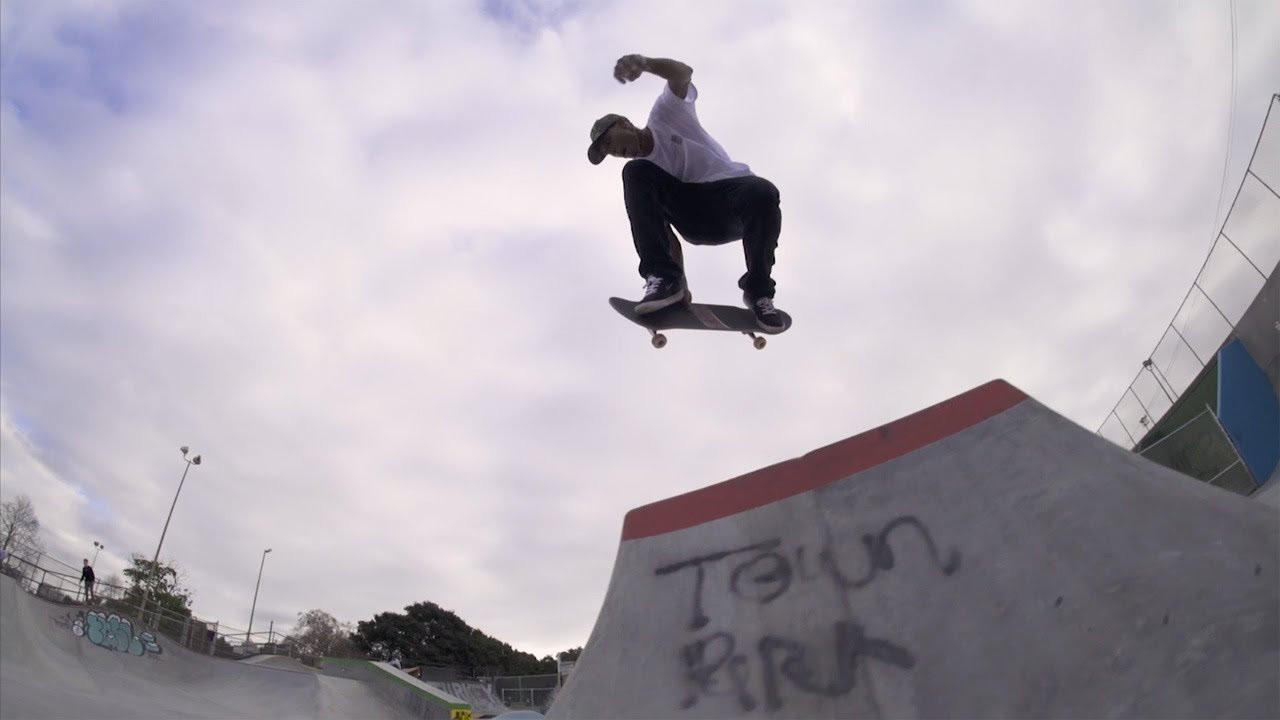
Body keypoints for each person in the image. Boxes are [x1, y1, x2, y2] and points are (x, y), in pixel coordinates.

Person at [587, 53, 786, 331]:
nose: (614, 151)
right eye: (608, 151)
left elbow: (682, 73)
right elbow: (663, 232)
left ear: (624, 123)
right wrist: (678, 284)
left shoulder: (666, 115)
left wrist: (645, 64)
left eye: (610, 141)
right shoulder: (647, 176)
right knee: (636, 172)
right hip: (695, 217)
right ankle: (664, 281)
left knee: (763, 191)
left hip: (732, 198)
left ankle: (759, 293)